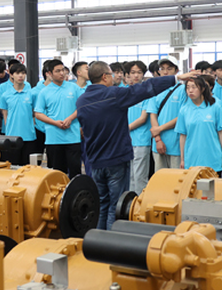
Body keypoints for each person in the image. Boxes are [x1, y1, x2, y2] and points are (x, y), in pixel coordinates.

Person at [77, 61, 196, 229]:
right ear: (104, 77)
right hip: (115, 159)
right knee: (116, 205)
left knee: (101, 203)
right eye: (111, 74)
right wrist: (176, 78)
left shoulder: (81, 101)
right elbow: (146, 88)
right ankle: (111, 239)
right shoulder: (113, 95)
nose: (114, 77)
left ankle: (98, 238)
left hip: (95, 160)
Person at [35, 60, 82, 177]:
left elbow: (82, 107)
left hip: (73, 138)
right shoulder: (44, 92)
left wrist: (70, 118)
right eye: (57, 71)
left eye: (63, 70)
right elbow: (38, 113)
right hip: (54, 139)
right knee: (57, 174)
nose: (62, 73)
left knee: (75, 172)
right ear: (50, 74)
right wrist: (55, 123)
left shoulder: (74, 88)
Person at [177, 76, 222, 175]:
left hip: (213, 159)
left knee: (214, 184)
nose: (190, 90)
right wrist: (182, 159)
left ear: (203, 89)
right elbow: (183, 136)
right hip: (192, 160)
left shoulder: (215, 107)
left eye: (194, 87)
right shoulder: (184, 110)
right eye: (188, 87)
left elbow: (221, 133)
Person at [147, 56, 187, 170]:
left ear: (176, 71)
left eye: (169, 68)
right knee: (160, 178)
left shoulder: (183, 90)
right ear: (158, 71)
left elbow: (182, 116)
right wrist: (158, 139)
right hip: (158, 144)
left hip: (177, 145)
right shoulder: (155, 90)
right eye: (162, 69)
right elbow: (153, 114)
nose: (165, 72)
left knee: (177, 178)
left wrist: (159, 129)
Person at [0, 63, 37, 164]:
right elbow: (5, 114)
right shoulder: (5, 95)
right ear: (11, 75)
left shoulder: (32, 94)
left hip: (29, 136)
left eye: (23, 73)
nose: (21, 76)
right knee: (13, 166)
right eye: (17, 73)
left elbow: (35, 113)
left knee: (28, 167)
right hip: (12, 137)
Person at [126, 61, 151, 193]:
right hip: (126, 140)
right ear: (128, 75)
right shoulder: (124, 92)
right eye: (133, 72)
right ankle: (130, 202)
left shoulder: (147, 93)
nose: (136, 75)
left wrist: (125, 129)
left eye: (139, 72)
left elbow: (143, 118)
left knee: (140, 176)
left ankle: (140, 202)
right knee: (129, 176)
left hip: (141, 139)